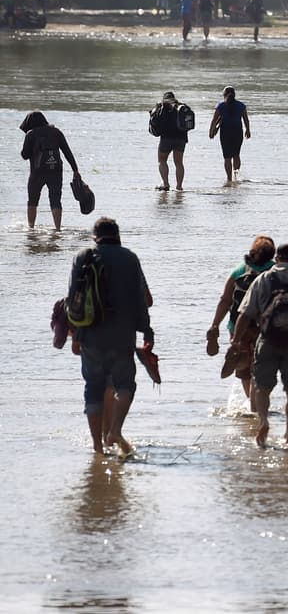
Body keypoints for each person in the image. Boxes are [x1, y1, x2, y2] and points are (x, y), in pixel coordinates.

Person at [70, 217, 153, 456]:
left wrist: (76, 335)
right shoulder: (130, 258)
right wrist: (147, 332)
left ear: (94, 236)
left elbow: (73, 299)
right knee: (125, 385)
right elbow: (142, 300)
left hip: (90, 336)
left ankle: (98, 448)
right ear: (117, 235)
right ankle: (115, 430)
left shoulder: (82, 257)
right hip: (122, 336)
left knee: (93, 388)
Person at [231, 243, 288, 447]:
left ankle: (263, 421)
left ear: (277, 259)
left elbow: (244, 314)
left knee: (262, 388)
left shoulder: (264, 279)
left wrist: (236, 341)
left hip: (267, 339)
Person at [206, 235, 275, 407]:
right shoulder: (275, 271)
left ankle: (251, 402)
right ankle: (257, 403)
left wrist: (215, 325)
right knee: (261, 366)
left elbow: (225, 300)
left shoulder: (238, 271)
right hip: (266, 327)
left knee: (244, 369)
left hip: (238, 327)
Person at [20, 110, 80, 230]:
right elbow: (67, 151)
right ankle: (57, 228)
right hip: (56, 171)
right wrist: (75, 170)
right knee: (55, 199)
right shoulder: (56, 132)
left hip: (37, 173)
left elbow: (24, 155)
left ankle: (31, 228)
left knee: (32, 200)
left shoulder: (31, 134)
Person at [208, 86, 251, 183]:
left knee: (227, 157)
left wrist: (211, 131)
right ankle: (236, 176)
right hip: (237, 132)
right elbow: (246, 119)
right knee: (236, 154)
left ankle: (229, 179)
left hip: (225, 132)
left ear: (224, 95)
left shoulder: (221, 105)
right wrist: (248, 130)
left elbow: (214, 120)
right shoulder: (241, 105)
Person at [151, 91, 190, 191]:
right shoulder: (181, 107)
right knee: (179, 163)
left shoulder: (161, 107)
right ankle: (179, 186)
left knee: (162, 160)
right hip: (180, 138)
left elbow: (155, 122)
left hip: (166, 138)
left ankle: (165, 183)